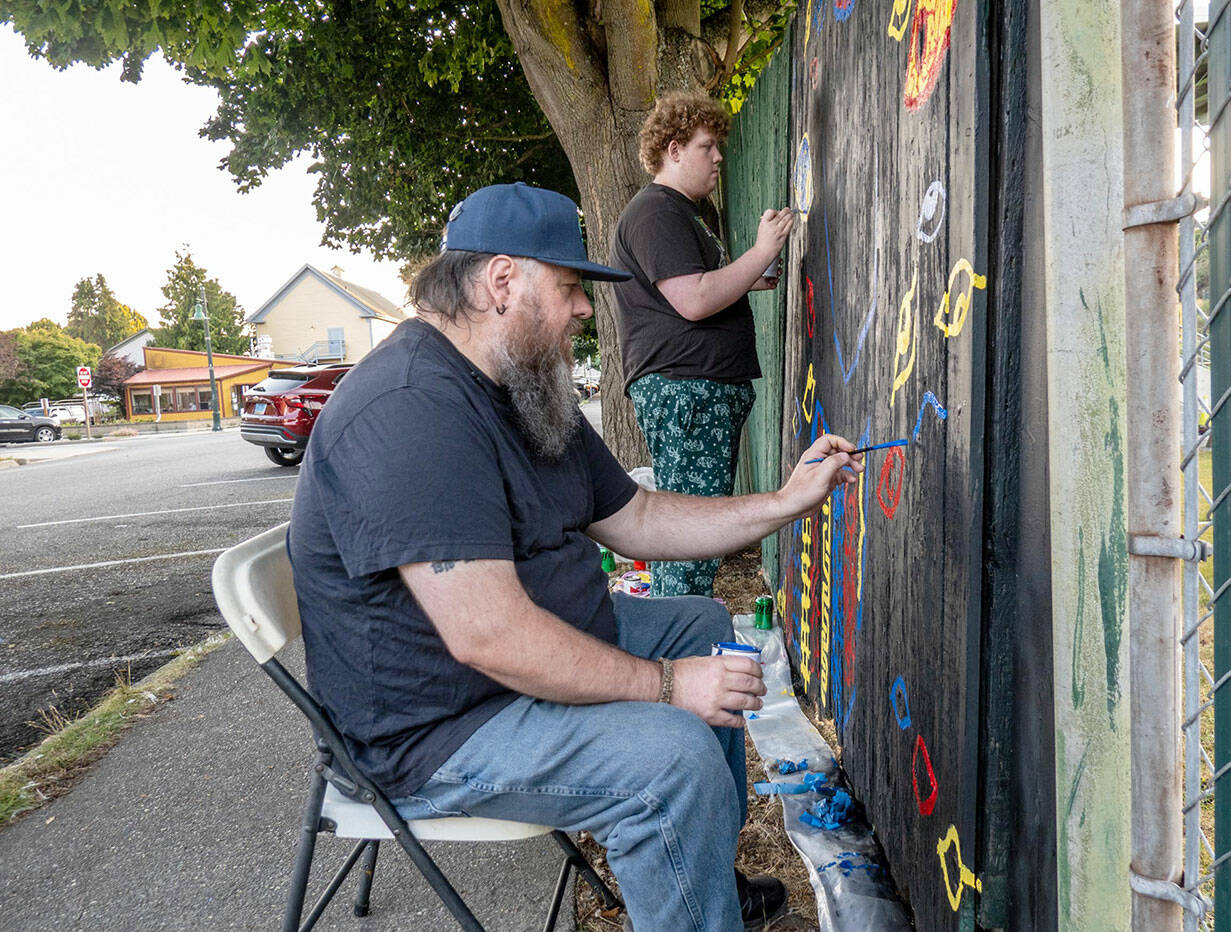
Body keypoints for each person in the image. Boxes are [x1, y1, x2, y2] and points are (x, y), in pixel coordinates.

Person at [288, 182, 860, 932]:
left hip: (508, 668)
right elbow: (487, 635)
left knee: (700, 623)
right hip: (441, 727)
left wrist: (782, 502)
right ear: (502, 282)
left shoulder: (519, 385)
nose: (586, 309)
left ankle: (699, 882)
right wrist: (663, 686)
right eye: (569, 288)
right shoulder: (408, 409)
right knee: (674, 754)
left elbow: (639, 517)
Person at [610, 92, 794, 599]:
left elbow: (701, 283)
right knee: (692, 537)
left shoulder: (688, 214)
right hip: (687, 393)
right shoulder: (656, 213)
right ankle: (679, 657)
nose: (718, 158)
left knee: (697, 533)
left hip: (700, 393)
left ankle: (681, 641)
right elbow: (692, 299)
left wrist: (752, 273)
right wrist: (759, 252)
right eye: (707, 147)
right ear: (673, 149)